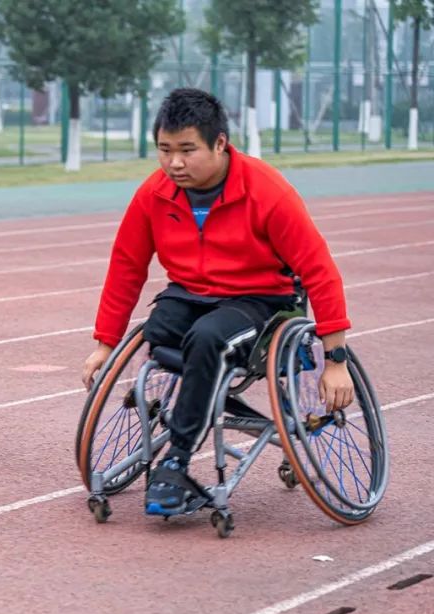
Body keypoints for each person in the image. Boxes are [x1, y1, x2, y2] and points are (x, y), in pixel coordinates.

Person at [81, 88, 355, 516]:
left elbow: (319, 269)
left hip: (260, 300)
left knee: (209, 338)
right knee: (159, 329)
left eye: (187, 150)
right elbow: (126, 265)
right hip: (189, 293)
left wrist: (334, 358)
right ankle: (207, 397)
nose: (174, 163)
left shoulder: (268, 192)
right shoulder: (154, 193)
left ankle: (176, 460)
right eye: (164, 150)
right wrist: (105, 343)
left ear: (220, 144)